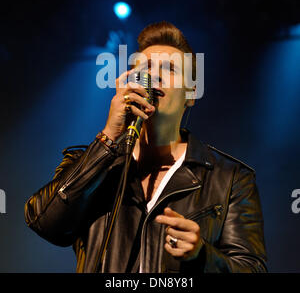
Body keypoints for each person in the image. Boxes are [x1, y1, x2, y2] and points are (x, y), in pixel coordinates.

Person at [24, 21, 267, 273]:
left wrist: (203, 256)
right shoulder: (90, 162)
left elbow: (252, 268)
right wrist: (108, 138)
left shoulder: (229, 179)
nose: (155, 75)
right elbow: (44, 222)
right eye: (146, 68)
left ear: (191, 92)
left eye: (170, 68)